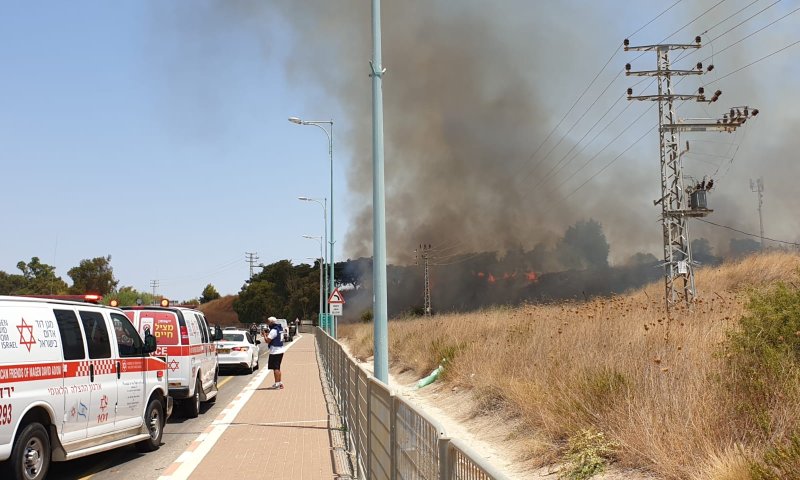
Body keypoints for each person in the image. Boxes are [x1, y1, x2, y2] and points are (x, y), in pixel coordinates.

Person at [262, 316, 287, 389]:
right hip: (280, 350)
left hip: (275, 351)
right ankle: (279, 382)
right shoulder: (280, 328)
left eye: (268, 322)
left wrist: (264, 335)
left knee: (275, 368)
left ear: (271, 322)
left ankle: (277, 384)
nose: (268, 323)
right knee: (277, 368)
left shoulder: (273, 330)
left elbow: (267, 341)